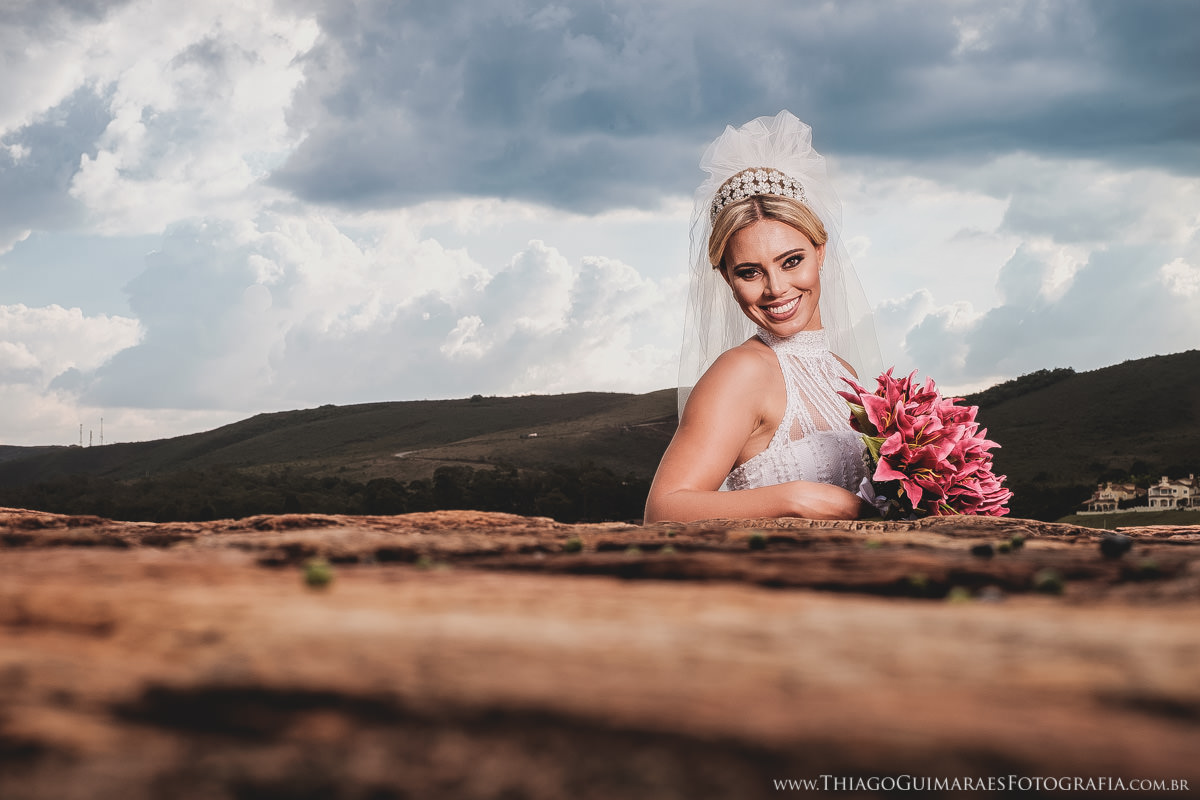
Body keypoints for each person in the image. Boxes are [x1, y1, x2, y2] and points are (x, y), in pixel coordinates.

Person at [644, 112, 883, 523]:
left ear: (820, 251)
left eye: (792, 261)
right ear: (726, 277)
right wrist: (795, 498)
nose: (775, 288)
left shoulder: (842, 371)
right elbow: (663, 510)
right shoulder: (740, 372)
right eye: (750, 272)